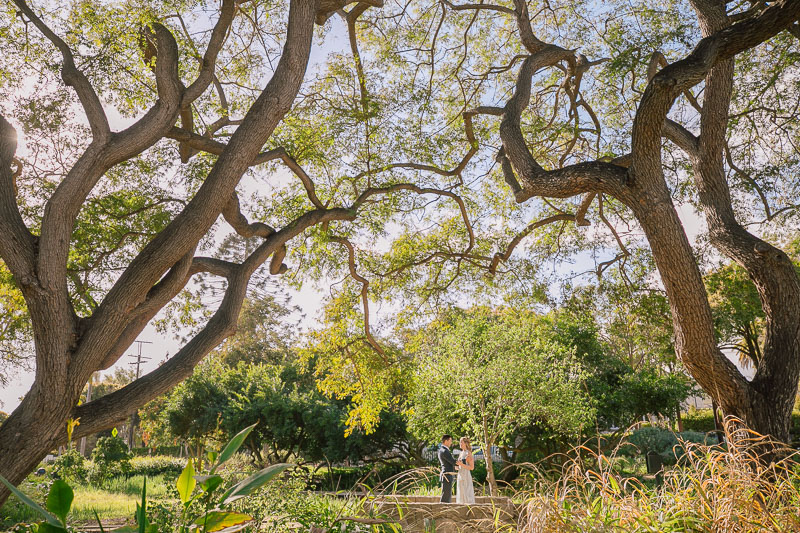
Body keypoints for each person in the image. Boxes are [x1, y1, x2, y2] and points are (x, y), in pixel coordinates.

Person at [455, 436, 475, 504]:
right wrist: (457, 467)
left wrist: (461, 465)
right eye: (460, 442)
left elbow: (472, 467)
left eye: (461, 442)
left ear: (465, 443)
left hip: (466, 475)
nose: (460, 443)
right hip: (460, 474)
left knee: (467, 492)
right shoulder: (461, 453)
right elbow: (460, 465)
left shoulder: (468, 453)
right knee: (460, 492)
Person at [437, 434, 456, 503]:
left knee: (447, 496)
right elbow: (453, 461)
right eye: (450, 440)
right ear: (446, 441)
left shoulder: (442, 450)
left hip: (446, 475)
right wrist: (463, 461)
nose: (451, 442)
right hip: (447, 475)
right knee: (446, 498)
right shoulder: (444, 451)